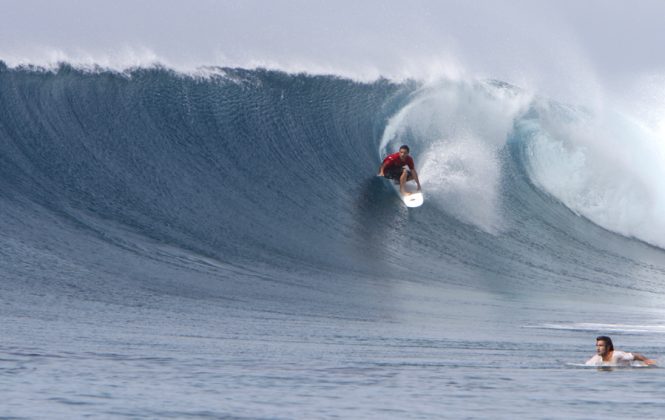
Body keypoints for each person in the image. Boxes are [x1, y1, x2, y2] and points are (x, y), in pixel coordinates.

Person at [585, 336, 656, 366]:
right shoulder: (596, 358)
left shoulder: (617, 355)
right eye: (597, 345)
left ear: (608, 347)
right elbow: (586, 365)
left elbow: (634, 355)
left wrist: (646, 360)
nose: (598, 348)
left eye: (601, 346)